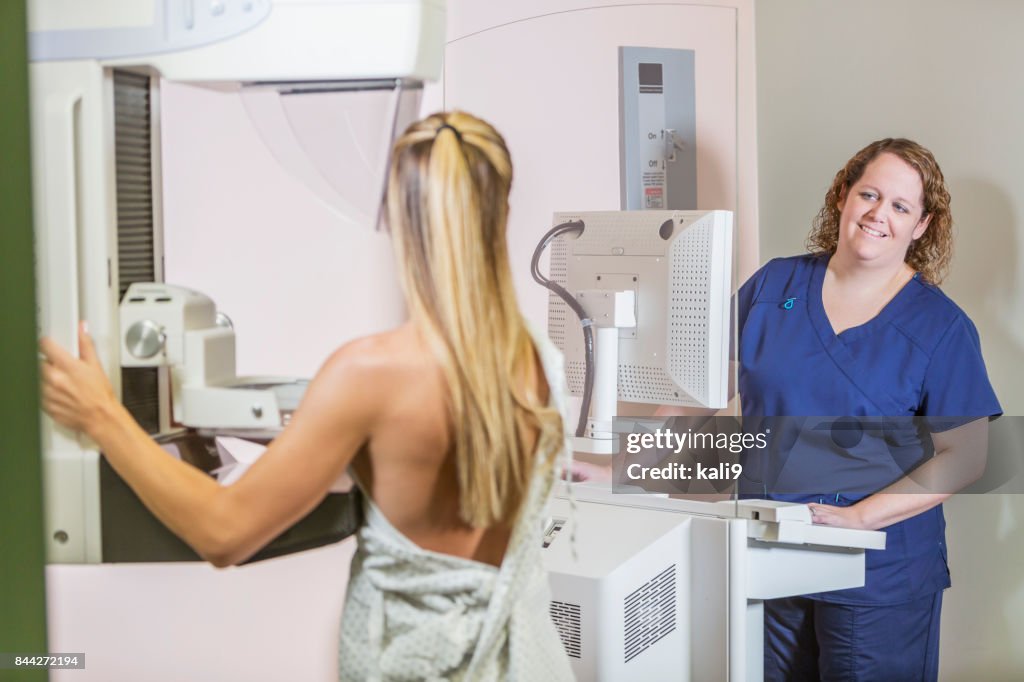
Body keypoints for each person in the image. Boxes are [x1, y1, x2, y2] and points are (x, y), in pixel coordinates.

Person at [40, 111, 576, 681]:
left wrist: (101, 415)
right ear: (503, 213)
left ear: (395, 220)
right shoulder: (540, 361)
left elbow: (223, 534)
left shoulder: (369, 374)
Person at [736, 138, 1002, 681]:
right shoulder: (773, 286)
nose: (879, 214)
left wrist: (861, 517)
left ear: (921, 226)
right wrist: (623, 464)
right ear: (842, 196)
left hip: (877, 572)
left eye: (901, 207)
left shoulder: (940, 327)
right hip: (768, 549)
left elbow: (966, 455)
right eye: (869, 194)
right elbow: (700, 387)